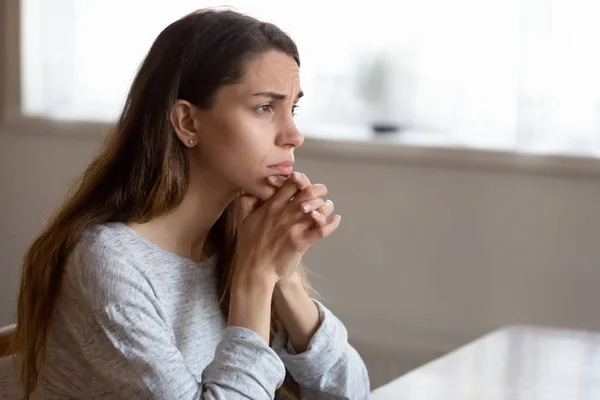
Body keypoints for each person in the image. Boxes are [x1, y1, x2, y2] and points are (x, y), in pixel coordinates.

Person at [12, 8, 370, 400]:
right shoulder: (109, 261)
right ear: (187, 123)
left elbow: (352, 393)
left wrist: (282, 279)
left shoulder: (239, 238)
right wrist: (254, 279)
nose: (294, 135)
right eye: (265, 108)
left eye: (293, 109)